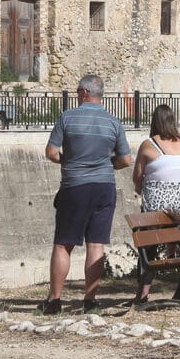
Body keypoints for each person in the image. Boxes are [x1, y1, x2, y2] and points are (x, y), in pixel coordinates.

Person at [42, 73, 131, 315]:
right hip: (104, 187)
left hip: (75, 187)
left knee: (63, 244)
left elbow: (51, 153)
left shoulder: (67, 118)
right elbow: (125, 159)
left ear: (84, 93)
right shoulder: (114, 122)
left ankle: (54, 301)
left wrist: (69, 161)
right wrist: (105, 164)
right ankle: (90, 300)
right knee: (96, 245)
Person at [131, 104, 180, 305]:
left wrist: (139, 189)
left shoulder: (149, 144)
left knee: (147, 245)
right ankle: (171, 248)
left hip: (160, 211)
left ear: (155, 122)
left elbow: (137, 177)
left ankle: (142, 293)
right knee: (172, 217)